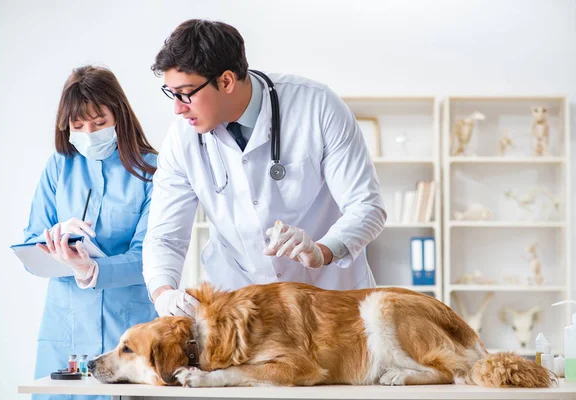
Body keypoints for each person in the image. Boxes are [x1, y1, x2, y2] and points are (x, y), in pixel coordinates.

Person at [143, 19, 387, 318]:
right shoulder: (182, 139)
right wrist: (163, 293)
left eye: (186, 93)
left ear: (227, 81)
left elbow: (367, 206)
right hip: (243, 307)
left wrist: (322, 251)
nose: (178, 108)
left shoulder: (317, 106)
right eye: (172, 93)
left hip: (330, 298)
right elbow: (165, 236)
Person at [23, 66, 158, 400]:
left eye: (100, 122)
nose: (89, 132)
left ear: (120, 116)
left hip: (127, 335)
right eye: (78, 125)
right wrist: (55, 239)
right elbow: (28, 247)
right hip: (65, 334)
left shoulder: (151, 170)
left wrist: (94, 269)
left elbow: (151, 255)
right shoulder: (59, 166)